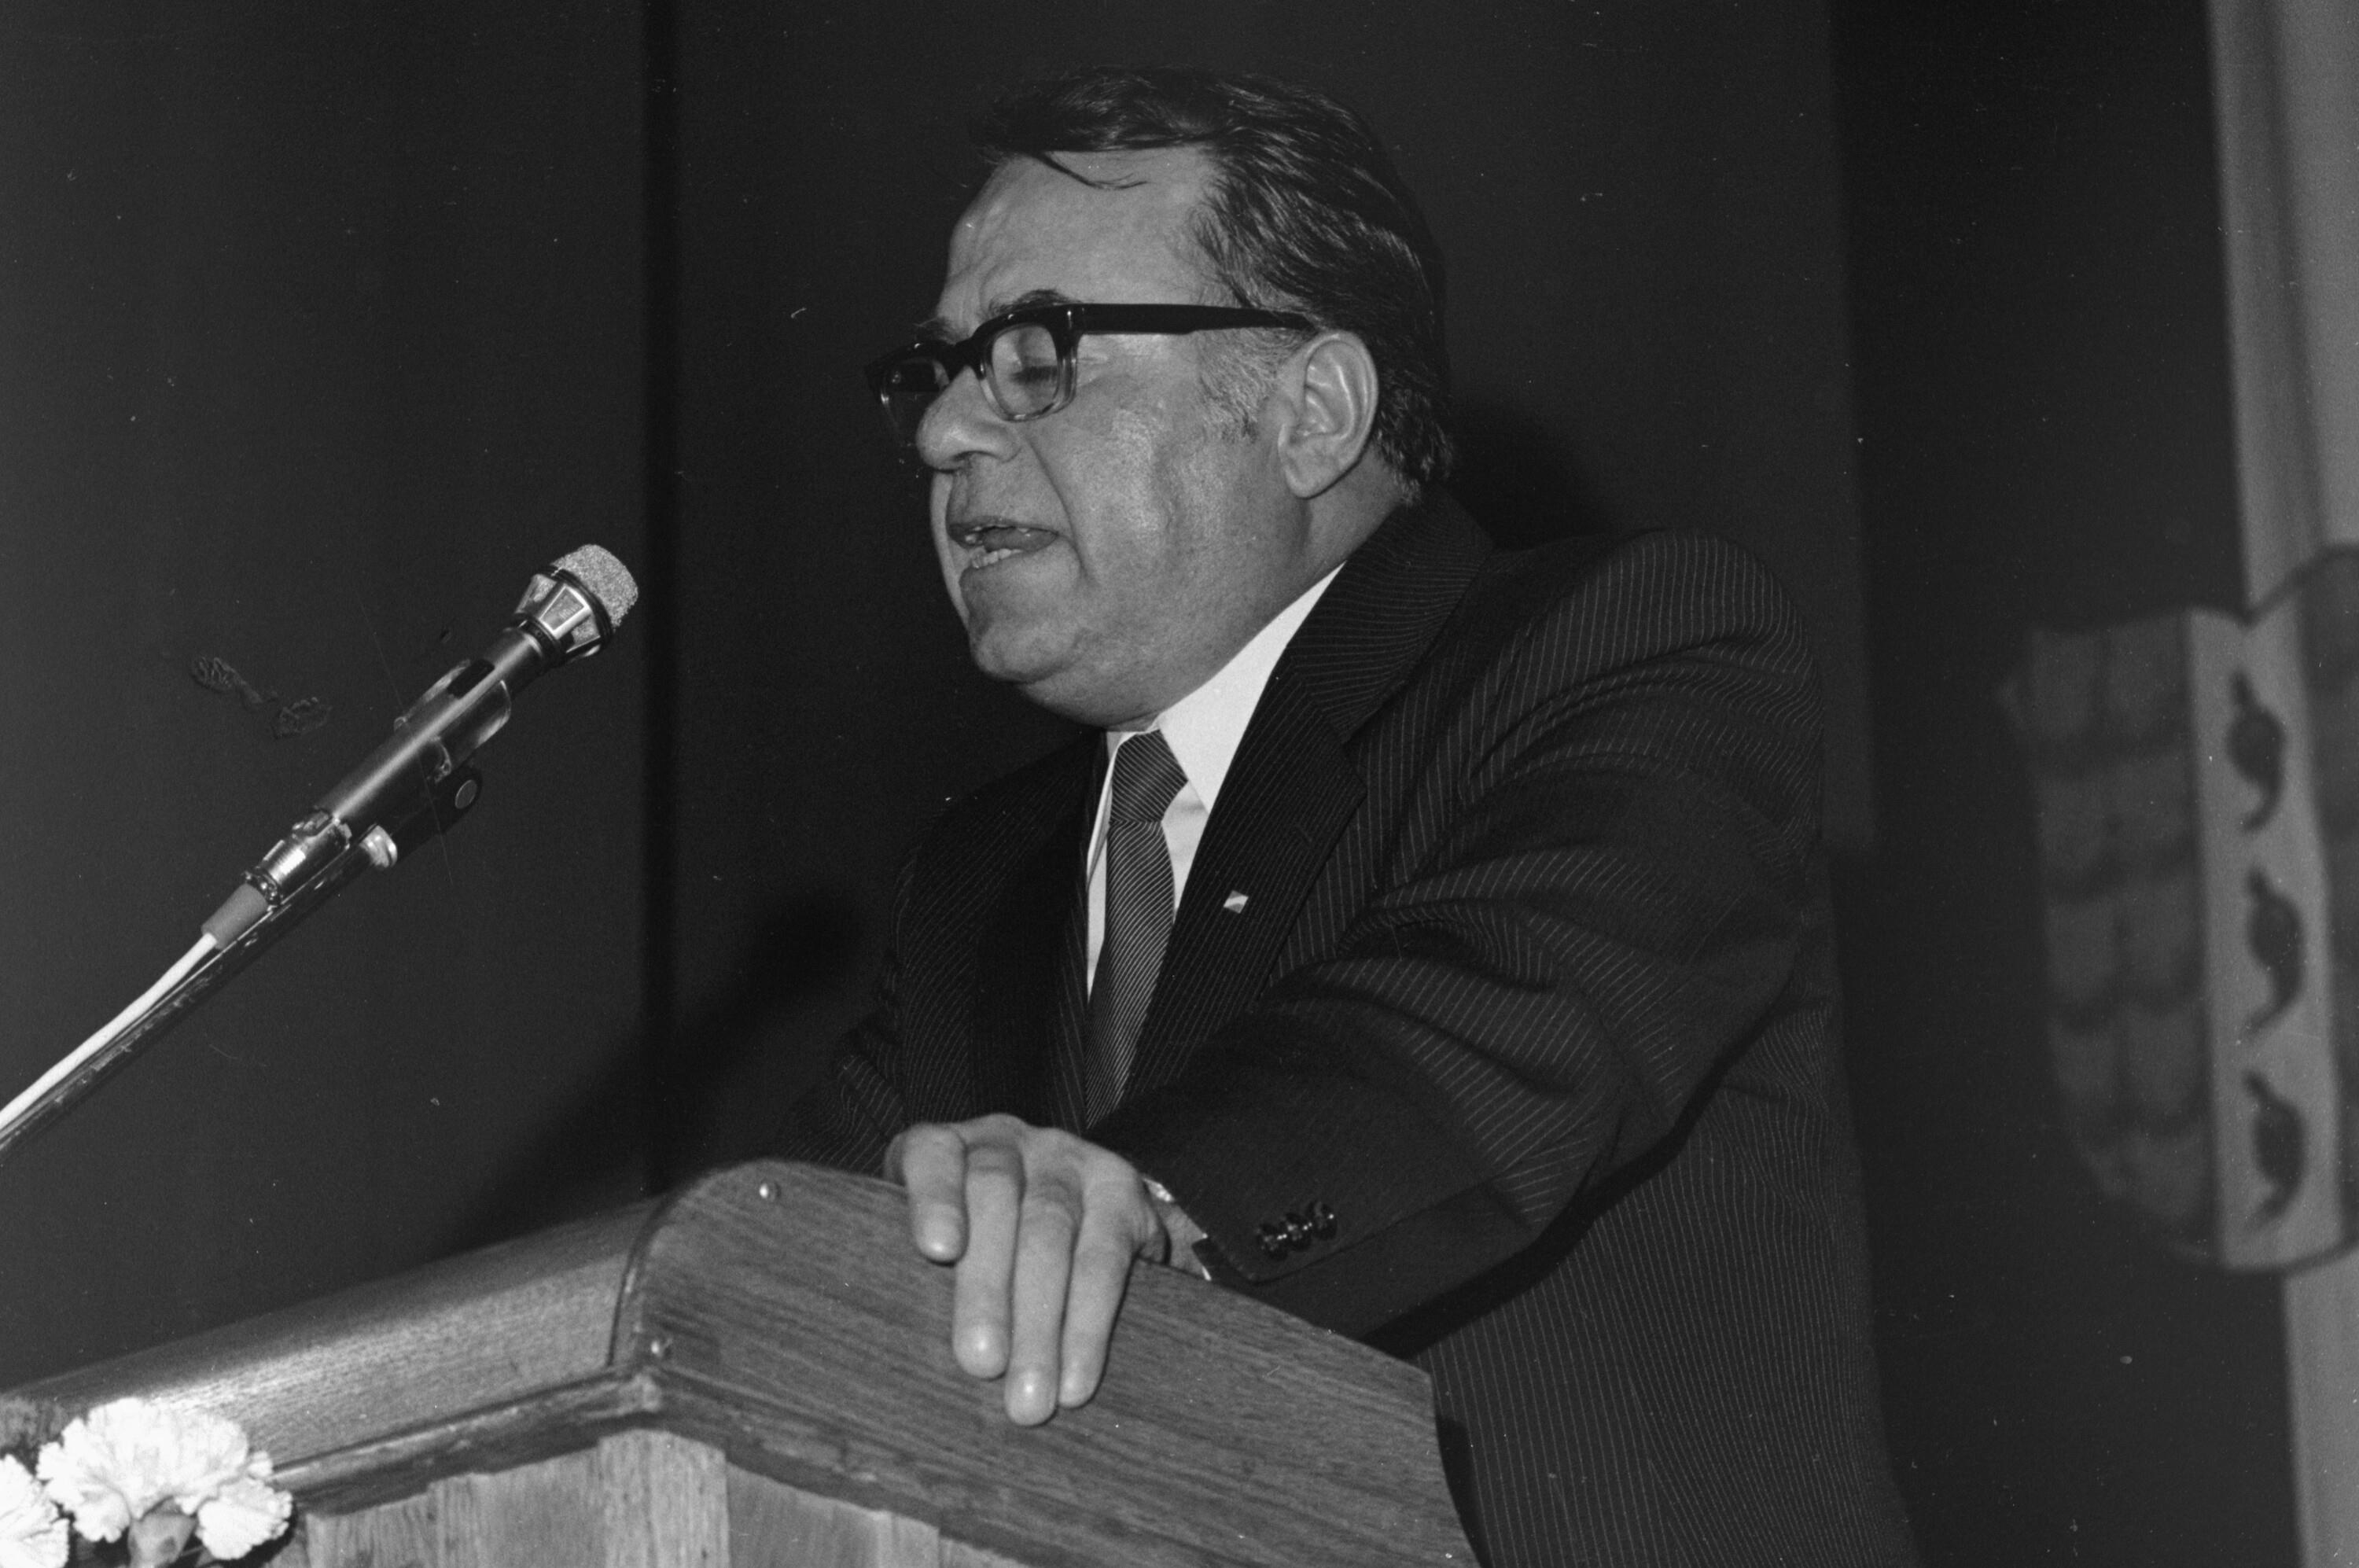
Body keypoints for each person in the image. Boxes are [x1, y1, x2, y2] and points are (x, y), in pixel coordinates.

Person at [776, 65, 1917, 1566]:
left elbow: (1485, 1026)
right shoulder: (975, 885)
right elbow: (796, 1282)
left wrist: (1135, 1198)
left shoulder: (1635, 648)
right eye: (941, 370)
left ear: (1313, 412)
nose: (944, 432)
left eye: (1035, 354)